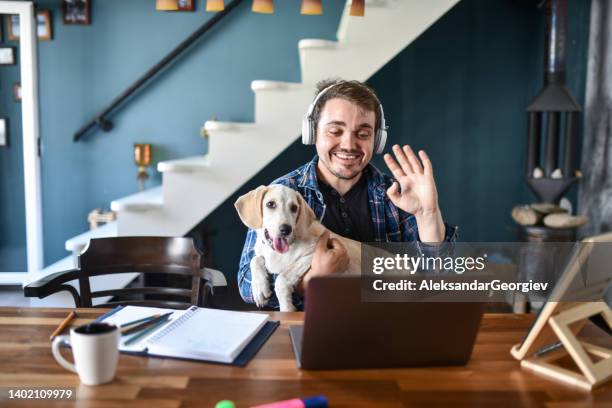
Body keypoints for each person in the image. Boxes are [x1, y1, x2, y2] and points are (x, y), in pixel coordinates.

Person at [238, 79, 456, 308]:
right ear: (312, 132)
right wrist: (312, 280)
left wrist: (428, 214)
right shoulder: (282, 194)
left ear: (377, 139)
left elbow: (434, 284)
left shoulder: (399, 196)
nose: (349, 145)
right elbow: (247, 285)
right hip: (312, 333)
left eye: (362, 134)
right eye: (335, 131)